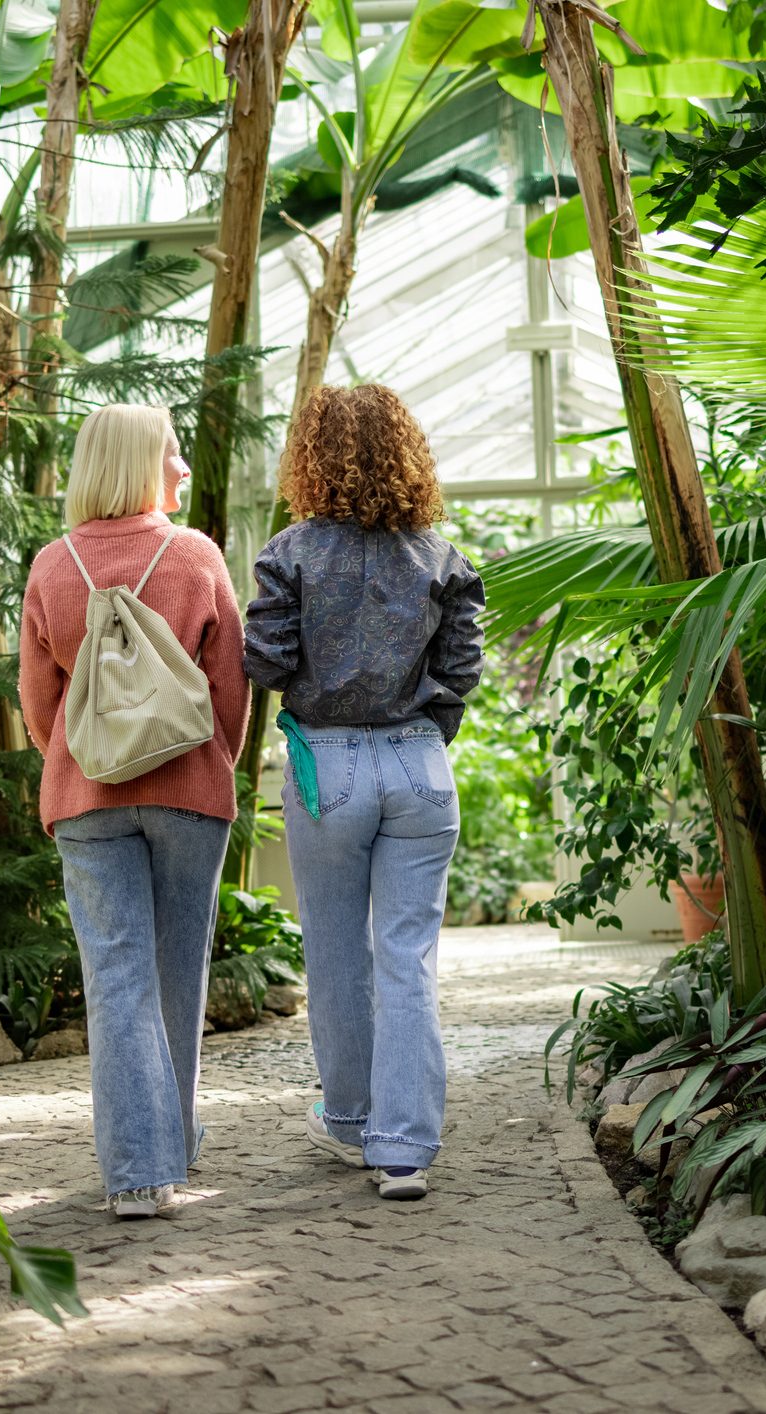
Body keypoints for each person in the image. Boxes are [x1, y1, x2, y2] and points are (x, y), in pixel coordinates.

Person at [242, 384, 485, 1201]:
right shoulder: (443, 558)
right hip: (421, 766)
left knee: (338, 953)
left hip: (329, 768)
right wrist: (421, 727)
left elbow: (267, 662)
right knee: (407, 959)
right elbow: (460, 671)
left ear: (310, 457)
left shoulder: (288, 553)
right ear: (407, 455)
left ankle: (348, 1122)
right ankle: (405, 1150)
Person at [19, 403, 248, 1220]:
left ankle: (140, 1170)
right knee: (176, 972)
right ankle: (165, 1152)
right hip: (189, 793)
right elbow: (228, 692)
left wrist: (88, 761)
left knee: (116, 979)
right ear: (139, 463)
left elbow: (40, 706)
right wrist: (204, 761)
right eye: (173, 453)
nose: (183, 468)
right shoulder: (195, 556)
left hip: (86, 800)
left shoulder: (52, 566)